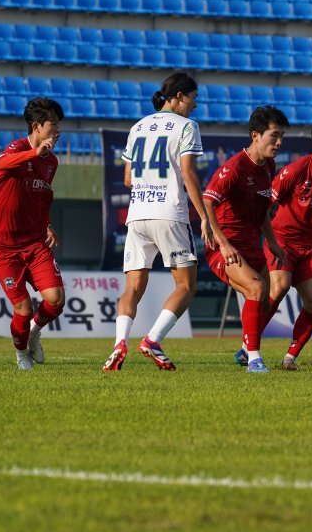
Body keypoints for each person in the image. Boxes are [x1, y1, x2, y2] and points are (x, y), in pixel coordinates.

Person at [103, 72, 213, 372]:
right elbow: (188, 174)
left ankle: (118, 344)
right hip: (170, 214)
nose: (194, 105)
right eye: (193, 98)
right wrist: (204, 217)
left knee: (133, 287)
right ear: (178, 96)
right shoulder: (187, 127)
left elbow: (127, 179)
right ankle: (152, 339)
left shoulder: (137, 127)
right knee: (186, 286)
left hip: (137, 215)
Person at [252, 115, 312, 370]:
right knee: (280, 287)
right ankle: (249, 347)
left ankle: (290, 357)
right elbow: (265, 203)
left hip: (309, 247)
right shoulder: (296, 170)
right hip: (281, 241)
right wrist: (263, 237)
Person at [0, 97, 66, 370]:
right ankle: (20, 354)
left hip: (33, 240)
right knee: (24, 309)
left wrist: (47, 224)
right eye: (53, 125)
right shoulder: (16, 149)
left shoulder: (51, 162)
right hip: (1, 245)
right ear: (37, 127)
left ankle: (34, 333)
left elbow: (38, 197)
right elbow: (3, 164)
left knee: (56, 299)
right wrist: (34, 152)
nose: (58, 131)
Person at [201, 106, 289, 374]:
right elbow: (207, 201)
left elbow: (261, 209)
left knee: (269, 296)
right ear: (255, 135)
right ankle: (254, 359)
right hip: (225, 247)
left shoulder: (269, 166)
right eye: (274, 136)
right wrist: (223, 242)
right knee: (256, 288)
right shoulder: (234, 168)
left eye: (281, 136)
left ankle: (244, 348)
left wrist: (272, 241)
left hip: (252, 245)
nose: (279, 142)